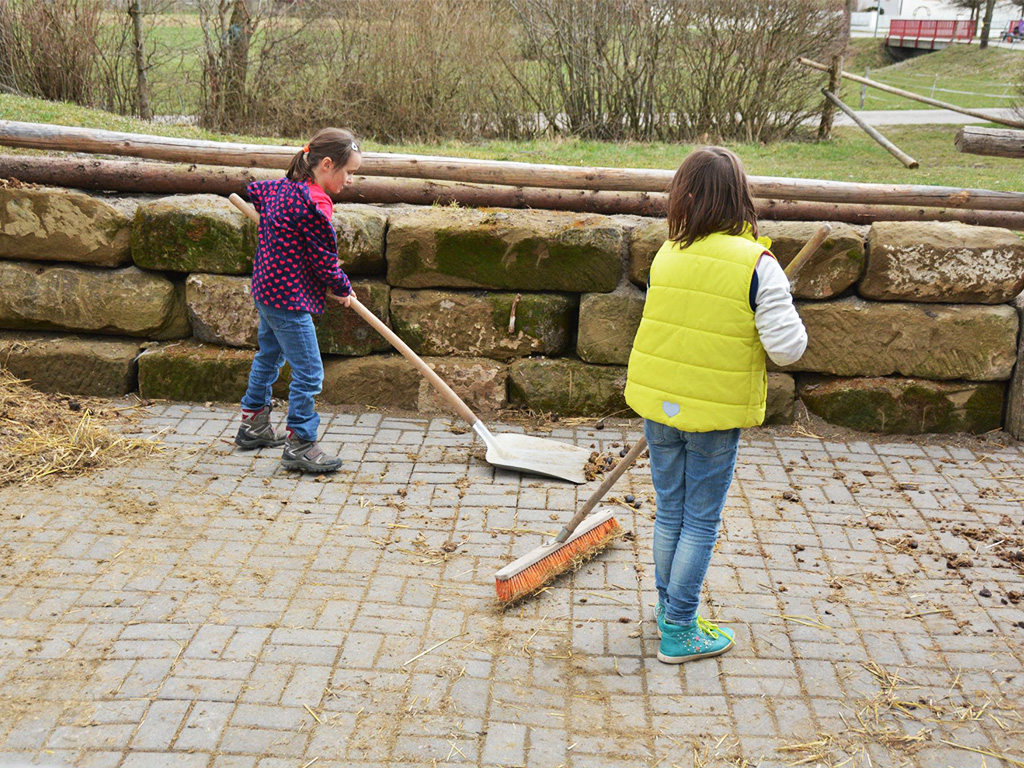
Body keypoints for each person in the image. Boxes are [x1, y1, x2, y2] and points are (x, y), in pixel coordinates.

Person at [624, 146, 807, 664]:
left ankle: (667, 609)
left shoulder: (669, 253)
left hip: (659, 407)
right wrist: (776, 298)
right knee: (700, 522)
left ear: (683, 197)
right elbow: (788, 348)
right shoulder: (758, 265)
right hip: (712, 417)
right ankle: (680, 630)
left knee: (670, 513)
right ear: (739, 198)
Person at [234, 128, 362, 473]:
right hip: (288, 300)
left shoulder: (280, 188)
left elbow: (253, 191)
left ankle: (253, 425)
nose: (350, 180)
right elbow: (324, 261)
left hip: (266, 290)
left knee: (269, 355)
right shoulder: (315, 204)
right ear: (325, 165)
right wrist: (342, 287)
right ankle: (301, 444)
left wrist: (277, 229)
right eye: (348, 172)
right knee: (309, 372)